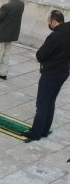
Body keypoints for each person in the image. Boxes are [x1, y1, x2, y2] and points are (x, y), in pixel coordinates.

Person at [22, 10, 70, 141]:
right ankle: (44, 130)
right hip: (64, 71)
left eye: (49, 21)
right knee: (51, 101)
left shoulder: (54, 36)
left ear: (54, 21)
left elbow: (40, 55)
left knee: (42, 103)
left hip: (51, 73)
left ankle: (35, 133)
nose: (48, 23)